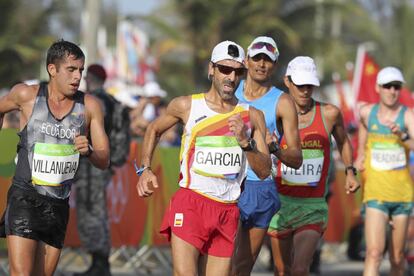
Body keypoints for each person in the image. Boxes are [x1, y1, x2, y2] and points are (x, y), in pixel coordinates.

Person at [136, 40, 271, 276]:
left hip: (227, 210)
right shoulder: (186, 106)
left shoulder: (253, 116)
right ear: (211, 69)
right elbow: (153, 130)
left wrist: (245, 142)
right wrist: (144, 169)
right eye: (224, 69)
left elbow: (264, 171)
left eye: (237, 72)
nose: (231, 77)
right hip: (191, 203)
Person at [0, 40, 109, 276]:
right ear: (52, 69)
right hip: (24, 197)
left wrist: (89, 150)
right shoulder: (26, 95)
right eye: (71, 69)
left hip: (58, 205)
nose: (77, 76)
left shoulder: (90, 106)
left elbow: (104, 160)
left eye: (80, 70)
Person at [268, 56, 360, 276]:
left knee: (300, 269)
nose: (305, 90)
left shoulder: (329, 113)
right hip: (280, 204)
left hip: (313, 205)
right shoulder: (273, 113)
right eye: (300, 85)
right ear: (287, 81)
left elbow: (344, 141)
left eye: (310, 85)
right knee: (283, 271)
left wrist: (350, 171)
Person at [232, 36, 302, 275]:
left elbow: (296, 157)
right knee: (221, 262)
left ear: (275, 64)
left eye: (268, 60)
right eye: (257, 58)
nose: (262, 64)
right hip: (227, 181)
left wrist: (276, 149)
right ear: (247, 61)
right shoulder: (229, 88)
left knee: (242, 266)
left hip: (259, 184)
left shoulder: (282, 102)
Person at [355, 66, 414, 276]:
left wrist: (404, 136)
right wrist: (360, 152)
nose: (392, 91)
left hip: (402, 196)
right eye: (387, 86)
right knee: (373, 253)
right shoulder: (367, 112)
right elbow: (362, 123)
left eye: (396, 86)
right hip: (375, 195)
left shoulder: (408, 117)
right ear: (378, 88)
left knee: (397, 258)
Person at [74, 64, 114, 276]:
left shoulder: (93, 102)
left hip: (92, 163)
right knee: (97, 214)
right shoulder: (111, 100)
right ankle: (99, 263)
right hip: (102, 161)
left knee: (92, 213)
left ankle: (99, 264)